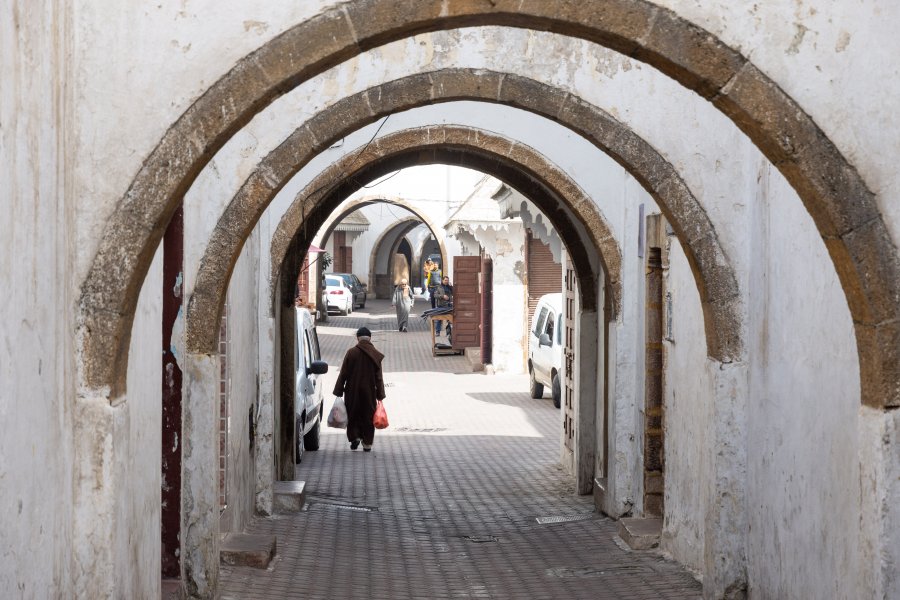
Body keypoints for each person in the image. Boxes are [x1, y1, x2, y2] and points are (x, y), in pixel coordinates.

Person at [332, 327, 386, 452]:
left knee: (353, 414)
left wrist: (338, 390)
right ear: (370, 338)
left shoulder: (351, 352)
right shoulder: (375, 354)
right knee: (368, 416)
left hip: (352, 391)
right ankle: (367, 443)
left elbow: (343, 373)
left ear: (357, 338)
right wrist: (380, 395)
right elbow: (379, 377)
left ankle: (354, 437)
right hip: (369, 392)